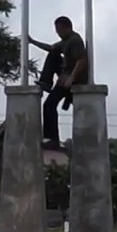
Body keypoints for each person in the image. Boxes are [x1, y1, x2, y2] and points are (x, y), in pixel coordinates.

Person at [27, 15, 89, 150]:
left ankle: (53, 139)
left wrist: (71, 78)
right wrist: (32, 42)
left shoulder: (74, 40)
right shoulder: (65, 41)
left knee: (49, 105)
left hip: (74, 79)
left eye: (59, 30)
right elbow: (50, 47)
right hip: (65, 74)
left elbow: (82, 60)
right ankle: (46, 83)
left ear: (66, 28)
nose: (57, 33)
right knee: (53, 53)